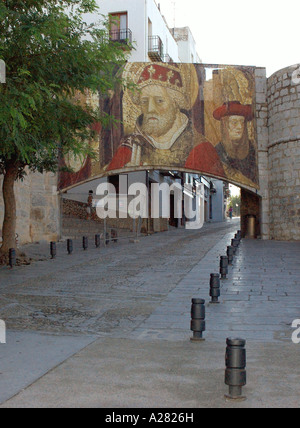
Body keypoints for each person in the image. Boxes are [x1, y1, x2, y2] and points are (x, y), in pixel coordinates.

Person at [107, 63, 225, 178]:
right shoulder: (130, 147)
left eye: (159, 101)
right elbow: (106, 186)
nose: (150, 109)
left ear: (175, 103)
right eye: (144, 101)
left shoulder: (202, 149)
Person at [213, 101, 258, 187]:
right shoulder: (217, 152)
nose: (240, 127)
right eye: (234, 122)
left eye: (242, 122)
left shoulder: (252, 149)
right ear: (225, 125)